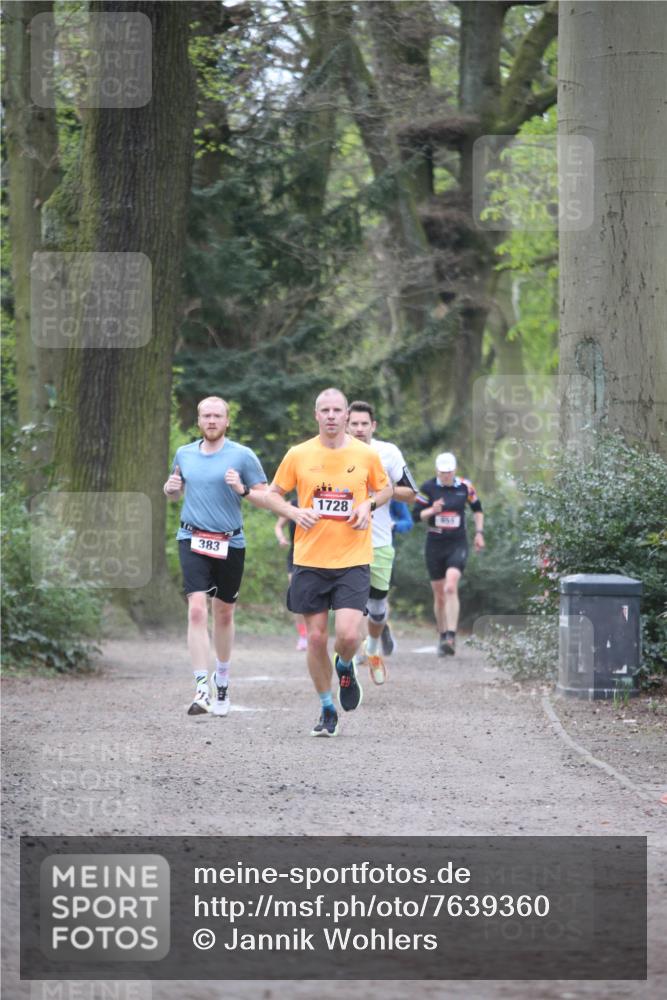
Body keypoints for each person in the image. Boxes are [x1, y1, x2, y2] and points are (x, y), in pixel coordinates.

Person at [226, 388, 392, 737]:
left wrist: (368, 506)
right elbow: (272, 495)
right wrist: (294, 511)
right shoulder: (299, 454)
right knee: (316, 639)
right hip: (310, 560)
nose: (331, 416)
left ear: (347, 415)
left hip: (353, 559)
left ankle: (345, 665)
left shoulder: (365, 454)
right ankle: (327, 708)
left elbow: (385, 489)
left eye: (337, 410)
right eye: (325, 410)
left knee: (346, 635)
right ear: (316, 415)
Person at [164, 396, 268, 717]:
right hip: (192, 537)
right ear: (198, 421)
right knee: (197, 610)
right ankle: (201, 689)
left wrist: (242, 489)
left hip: (229, 542)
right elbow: (176, 489)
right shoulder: (184, 454)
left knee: (223, 613)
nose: (211, 421)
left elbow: (266, 496)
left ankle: (222, 677)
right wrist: (170, 489)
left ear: (227, 421)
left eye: (217, 416)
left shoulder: (242, 456)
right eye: (206, 416)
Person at [347, 401, 417, 685]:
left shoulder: (388, 452)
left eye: (365, 424)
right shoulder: (334, 452)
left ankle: (373, 648)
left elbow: (411, 493)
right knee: (348, 606)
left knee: (376, 608)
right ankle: (348, 663)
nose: (360, 429)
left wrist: (385, 488)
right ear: (346, 425)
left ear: (373, 426)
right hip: (343, 542)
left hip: (379, 541)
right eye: (355, 424)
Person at [413, 452, 484, 656]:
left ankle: (451, 636)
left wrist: (479, 533)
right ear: (437, 470)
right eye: (442, 472)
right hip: (435, 544)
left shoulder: (465, 487)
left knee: (451, 585)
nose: (446, 476)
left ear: (455, 470)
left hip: (457, 543)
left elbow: (478, 510)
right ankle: (442, 634)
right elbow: (416, 516)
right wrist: (432, 511)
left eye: (449, 472)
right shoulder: (427, 488)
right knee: (439, 594)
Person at [274, 500, 308, 651]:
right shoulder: (292, 504)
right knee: (296, 596)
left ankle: (316, 632)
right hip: (295, 556)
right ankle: (303, 636)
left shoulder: (320, 501)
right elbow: (278, 526)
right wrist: (281, 538)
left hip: (318, 556)